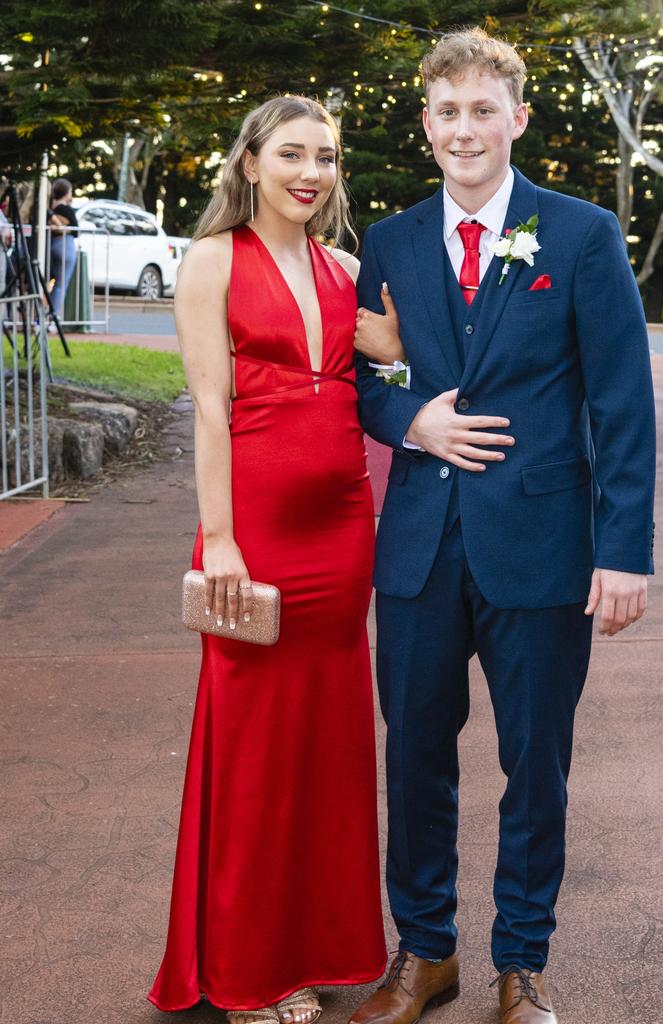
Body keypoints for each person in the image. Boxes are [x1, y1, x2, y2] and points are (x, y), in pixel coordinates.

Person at [351, 28, 656, 1024]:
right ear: (427, 122)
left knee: (536, 762)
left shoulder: (580, 235)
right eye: (448, 111)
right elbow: (371, 377)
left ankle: (522, 964)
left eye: (485, 109)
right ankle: (425, 952)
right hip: (420, 549)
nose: (465, 129)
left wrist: (624, 550)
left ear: (518, 118)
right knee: (416, 756)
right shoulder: (391, 241)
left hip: (544, 547)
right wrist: (411, 417)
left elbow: (620, 400)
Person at [148, 95, 393, 1024]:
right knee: (251, 744)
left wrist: (399, 350)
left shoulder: (346, 269)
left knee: (326, 745)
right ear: (249, 162)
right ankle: (247, 968)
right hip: (254, 532)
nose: (311, 172)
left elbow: (386, 381)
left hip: (344, 527)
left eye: (325, 157)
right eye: (291, 153)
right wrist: (219, 540)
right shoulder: (212, 260)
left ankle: (319, 947)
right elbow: (210, 409)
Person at [47, 177, 78, 316]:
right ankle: (55, 317)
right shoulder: (66, 209)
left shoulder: (50, 209)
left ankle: (39, 316)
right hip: (65, 246)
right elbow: (76, 229)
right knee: (60, 285)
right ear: (66, 193)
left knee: (48, 283)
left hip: (52, 245)